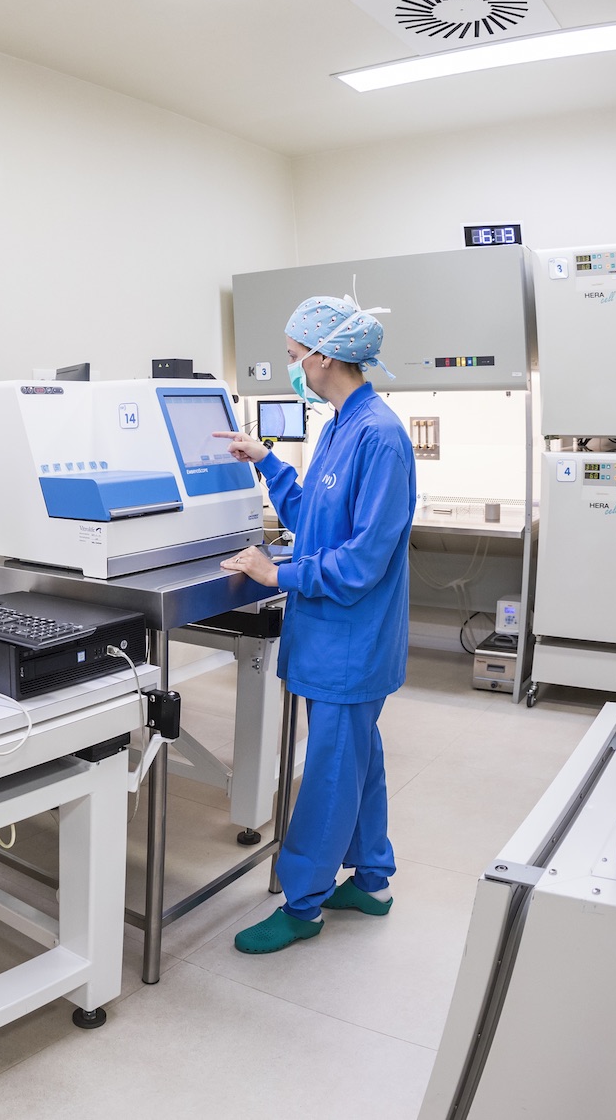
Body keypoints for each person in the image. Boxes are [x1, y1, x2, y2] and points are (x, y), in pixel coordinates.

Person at [212, 296, 416, 955]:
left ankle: (302, 905)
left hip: (351, 642)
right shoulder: (337, 426)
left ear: (325, 356)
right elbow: (312, 517)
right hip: (330, 635)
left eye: (295, 355)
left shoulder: (380, 436)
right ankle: (373, 881)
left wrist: (279, 576)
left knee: (328, 773)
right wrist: (264, 459)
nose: (293, 366)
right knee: (358, 759)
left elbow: (362, 560)